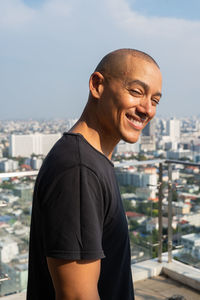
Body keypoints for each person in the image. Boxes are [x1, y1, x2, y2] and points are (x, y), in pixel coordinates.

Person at [27, 48, 162, 300]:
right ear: (97, 85)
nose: (147, 109)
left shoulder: (91, 160)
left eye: (154, 100)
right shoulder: (78, 170)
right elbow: (77, 296)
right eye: (136, 92)